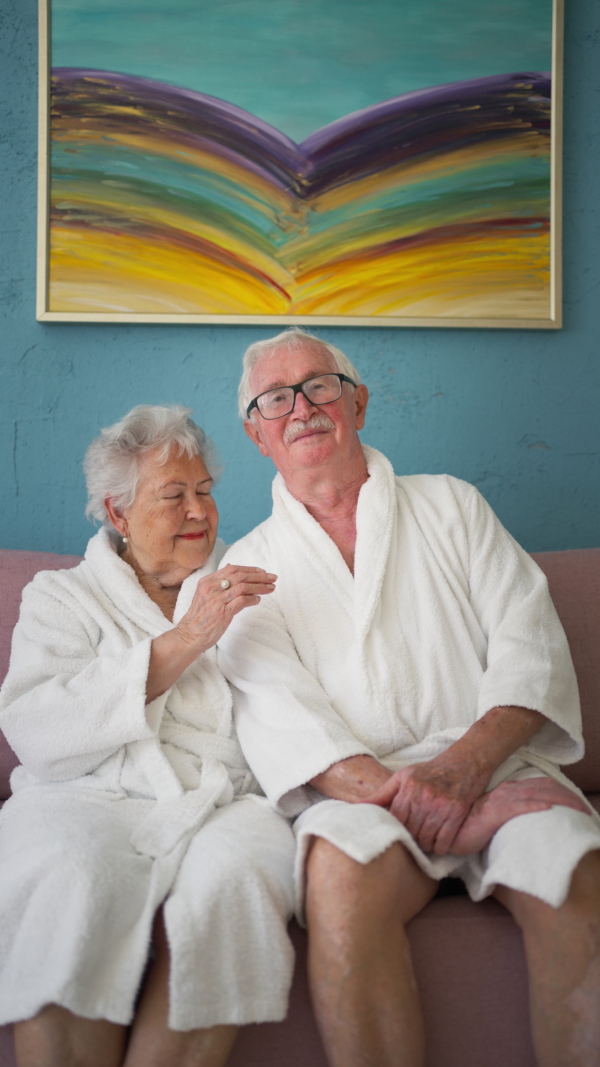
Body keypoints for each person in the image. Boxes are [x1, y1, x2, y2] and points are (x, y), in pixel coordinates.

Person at [217, 327, 600, 1067]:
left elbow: (530, 646)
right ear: (256, 433)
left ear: (357, 402)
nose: (301, 406)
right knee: (336, 876)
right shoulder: (249, 566)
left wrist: (465, 775)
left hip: (496, 766)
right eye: (275, 397)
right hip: (359, 797)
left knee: (574, 867)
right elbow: (289, 727)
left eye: (319, 384)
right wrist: (428, 805)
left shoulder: (453, 506)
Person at [0, 404, 296, 1067]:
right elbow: (35, 726)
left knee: (238, 876)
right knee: (63, 870)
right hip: (87, 795)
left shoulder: (252, 580)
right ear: (118, 512)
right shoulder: (61, 597)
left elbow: (295, 709)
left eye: (206, 491)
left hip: (224, 798)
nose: (199, 511)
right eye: (174, 495)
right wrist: (189, 636)